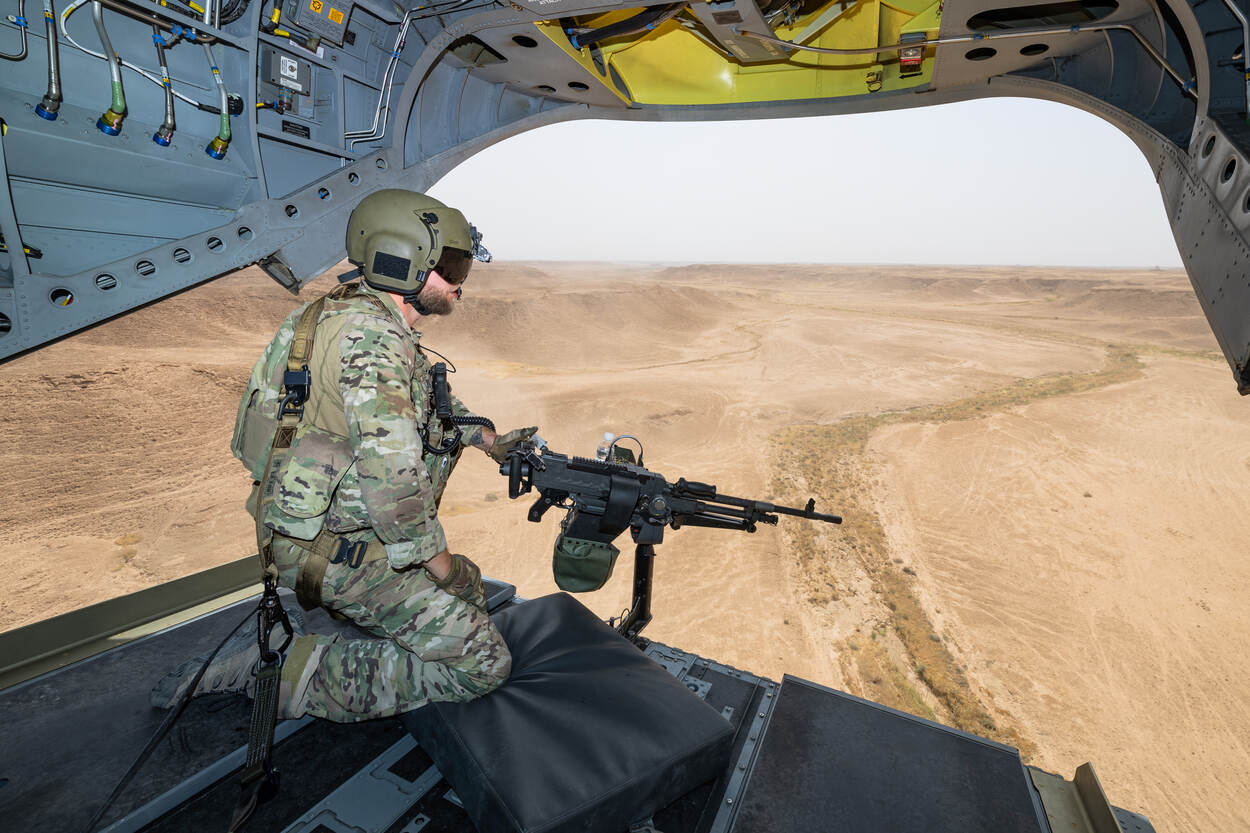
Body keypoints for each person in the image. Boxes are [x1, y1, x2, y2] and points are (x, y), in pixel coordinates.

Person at [153, 189, 535, 721]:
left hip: (319, 534)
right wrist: (444, 570)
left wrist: (489, 441)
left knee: (467, 596)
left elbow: (423, 402)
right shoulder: (373, 342)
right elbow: (396, 487)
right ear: (402, 261)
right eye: (450, 266)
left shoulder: (349, 314)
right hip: (334, 552)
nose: (459, 283)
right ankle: (284, 673)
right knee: (482, 662)